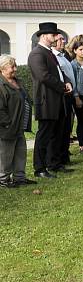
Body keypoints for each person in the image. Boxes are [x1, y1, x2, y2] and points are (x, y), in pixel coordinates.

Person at [28, 22, 72, 179]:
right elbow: (43, 76)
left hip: (57, 99)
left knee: (57, 134)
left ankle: (54, 163)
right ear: (44, 35)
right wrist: (63, 86)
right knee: (44, 135)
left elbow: (60, 72)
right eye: (53, 35)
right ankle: (39, 168)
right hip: (47, 100)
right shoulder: (37, 53)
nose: (55, 37)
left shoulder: (50, 53)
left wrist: (66, 81)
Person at [0, 55, 34, 188]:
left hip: (19, 125)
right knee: (5, 155)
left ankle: (19, 177)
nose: (15, 69)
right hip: (7, 127)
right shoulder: (1, 84)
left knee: (20, 151)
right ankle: (3, 180)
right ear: (2, 68)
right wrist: (8, 123)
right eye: (12, 66)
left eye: (15, 66)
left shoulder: (17, 81)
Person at [52, 33, 76, 170]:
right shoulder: (53, 56)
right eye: (60, 39)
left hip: (69, 93)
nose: (63, 41)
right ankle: (59, 158)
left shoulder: (64, 55)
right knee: (60, 128)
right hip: (62, 95)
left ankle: (64, 155)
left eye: (63, 39)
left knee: (67, 127)